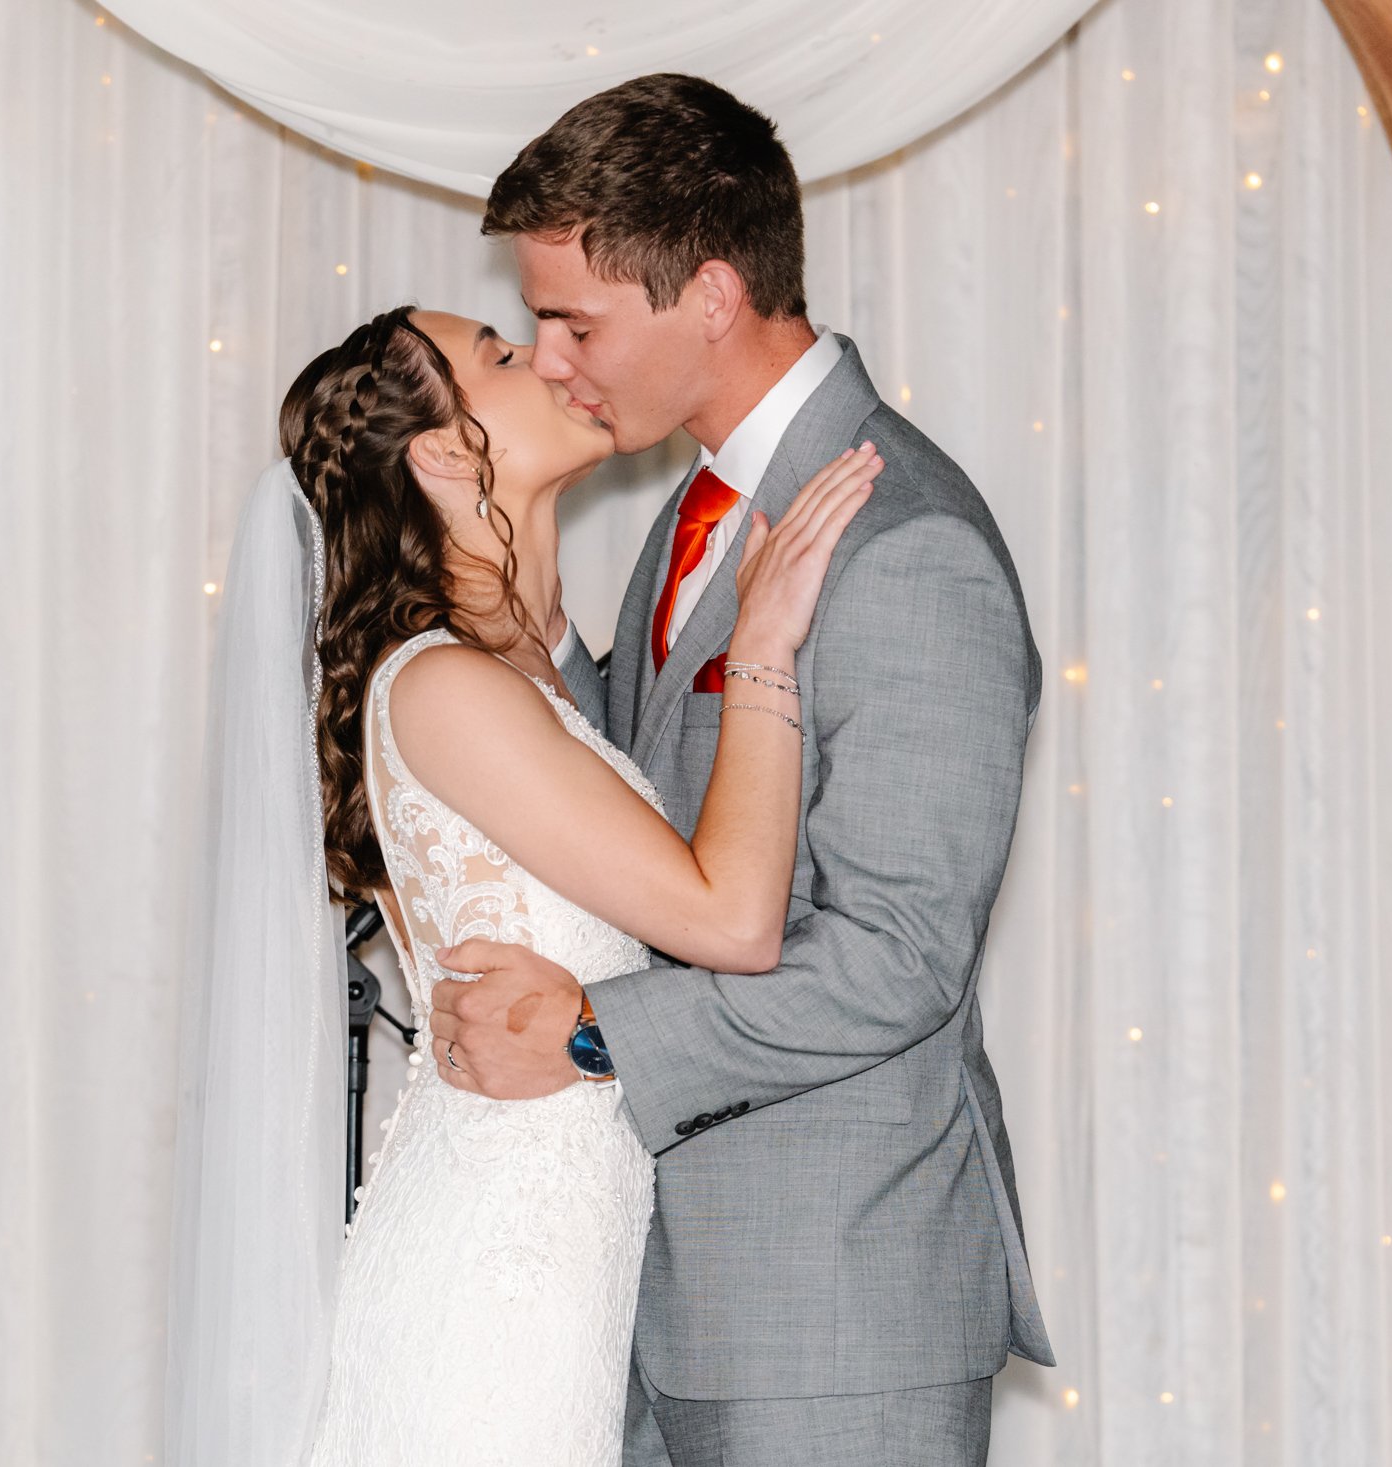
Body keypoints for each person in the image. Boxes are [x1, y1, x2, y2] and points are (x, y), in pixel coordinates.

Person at [428, 73, 1055, 1466]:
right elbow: (642, 789)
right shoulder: (702, 504)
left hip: (832, 1317)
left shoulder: (907, 545)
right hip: (667, 1296)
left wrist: (595, 1033)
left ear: (710, 294)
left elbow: (898, 957)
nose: (548, 358)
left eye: (574, 320)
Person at [269, 304, 876, 1466]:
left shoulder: (521, 670)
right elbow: (729, 920)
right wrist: (760, 649)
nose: (548, 359)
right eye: (500, 356)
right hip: (499, 1285)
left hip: (559, 1268)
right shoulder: (444, 686)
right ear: (445, 455)